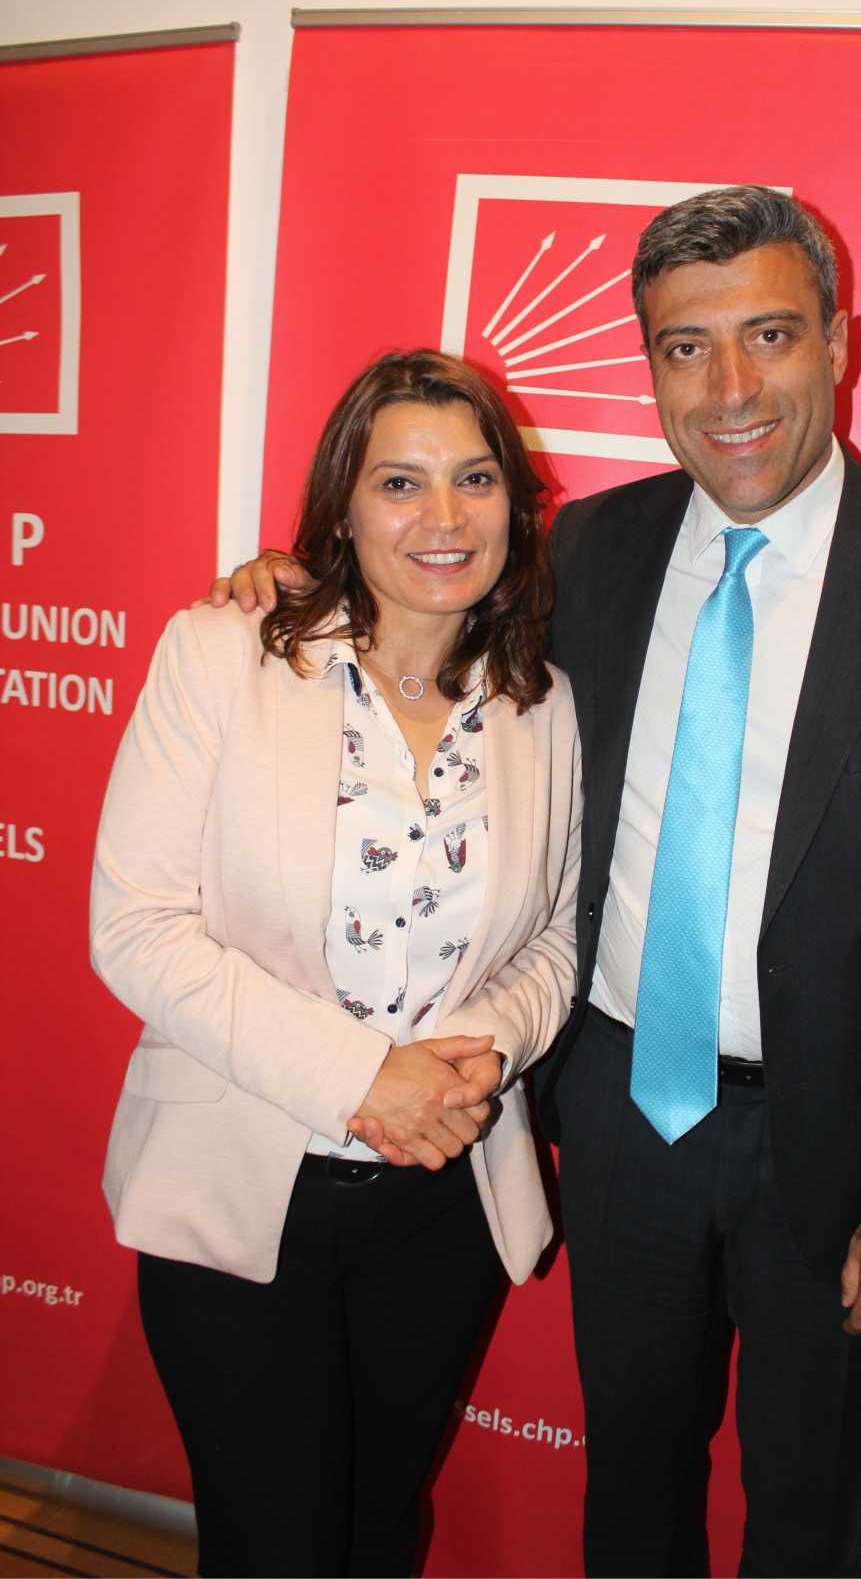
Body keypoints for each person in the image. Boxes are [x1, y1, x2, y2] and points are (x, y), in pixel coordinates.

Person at [216, 187, 861, 1579]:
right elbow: (417, 614)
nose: (729, 389)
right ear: (650, 364)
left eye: (769, 335)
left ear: (839, 343)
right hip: (618, 1119)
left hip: (838, 1151)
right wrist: (287, 581)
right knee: (631, 1500)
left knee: (808, 1524)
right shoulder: (587, 551)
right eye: (684, 347)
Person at [92, 349, 581, 1579]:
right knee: (277, 1547)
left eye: (476, 478)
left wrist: (481, 1057)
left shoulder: (542, 703)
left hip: (442, 1199)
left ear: (515, 505)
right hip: (243, 1188)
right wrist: (365, 1077)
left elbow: (558, 938)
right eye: (400, 482)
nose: (443, 515)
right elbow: (136, 924)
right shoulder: (225, 652)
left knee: (376, 1531)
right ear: (344, 508)